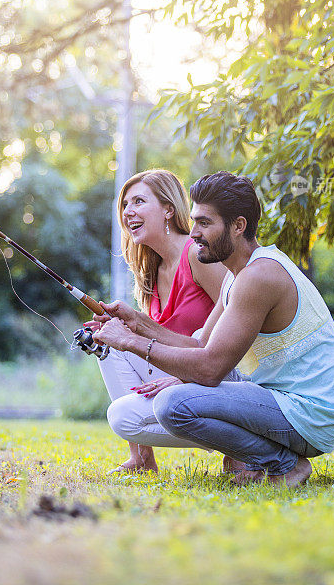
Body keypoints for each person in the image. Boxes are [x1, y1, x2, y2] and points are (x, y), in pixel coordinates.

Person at [92, 171, 334, 487]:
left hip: (310, 414)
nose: (195, 232)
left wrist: (130, 342)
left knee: (173, 406)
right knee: (167, 402)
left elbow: (211, 369)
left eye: (205, 223)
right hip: (281, 399)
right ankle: (265, 460)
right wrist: (139, 323)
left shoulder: (259, 276)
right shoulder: (236, 274)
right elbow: (200, 344)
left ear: (238, 226)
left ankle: (282, 464)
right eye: (195, 221)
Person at [85, 169, 227, 473]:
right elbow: (158, 340)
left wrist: (186, 376)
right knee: (108, 345)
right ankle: (141, 459)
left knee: (122, 409)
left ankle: (238, 450)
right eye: (125, 204)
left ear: (168, 210)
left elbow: (237, 316)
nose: (128, 212)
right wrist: (117, 331)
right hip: (183, 381)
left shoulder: (197, 255)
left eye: (138, 201)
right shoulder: (152, 268)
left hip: (219, 382)